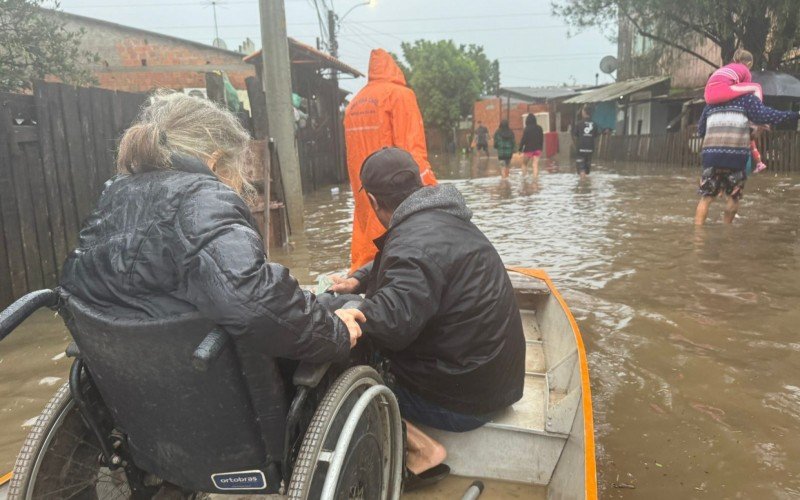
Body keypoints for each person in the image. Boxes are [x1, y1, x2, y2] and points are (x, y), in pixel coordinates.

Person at [60, 91, 365, 369]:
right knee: (345, 313)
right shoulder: (203, 198)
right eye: (237, 169)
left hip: (135, 380)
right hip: (209, 382)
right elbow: (253, 303)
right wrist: (335, 331)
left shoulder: (114, 194)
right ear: (216, 162)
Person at [329, 147, 525, 489]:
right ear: (419, 184)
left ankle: (421, 451)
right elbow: (413, 262)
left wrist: (337, 309)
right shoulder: (443, 216)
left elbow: (391, 324)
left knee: (338, 365)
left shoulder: (412, 244)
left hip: (466, 401)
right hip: (496, 380)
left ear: (373, 202)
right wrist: (360, 279)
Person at [343, 48, 437, 274]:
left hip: (366, 193)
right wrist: (432, 193)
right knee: (406, 254)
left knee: (369, 250)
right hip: (397, 192)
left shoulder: (354, 103)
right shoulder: (400, 95)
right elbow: (412, 149)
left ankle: (365, 279)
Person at [694, 92, 799, 225]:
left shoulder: (711, 104)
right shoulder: (747, 100)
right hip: (735, 158)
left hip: (712, 157)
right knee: (733, 197)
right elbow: (766, 116)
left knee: (706, 198)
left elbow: (701, 131)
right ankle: (727, 231)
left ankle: (697, 237)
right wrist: (795, 115)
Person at [574, 106, 597, 180]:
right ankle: (586, 185)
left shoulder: (579, 123)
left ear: (584, 112)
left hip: (581, 148)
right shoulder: (594, 124)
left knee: (581, 168)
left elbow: (575, 135)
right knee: (587, 170)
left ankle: (583, 185)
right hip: (590, 149)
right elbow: (596, 135)